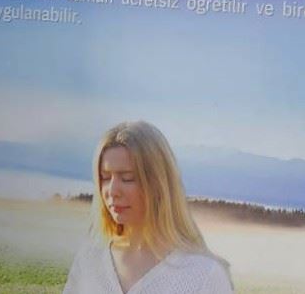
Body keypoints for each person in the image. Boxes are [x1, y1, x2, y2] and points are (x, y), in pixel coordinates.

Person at [63, 121, 232, 294]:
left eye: (127, 178)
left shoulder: (203, 275)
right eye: (105, 178)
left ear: (158, 184)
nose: (112, 191)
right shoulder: (89, 260)